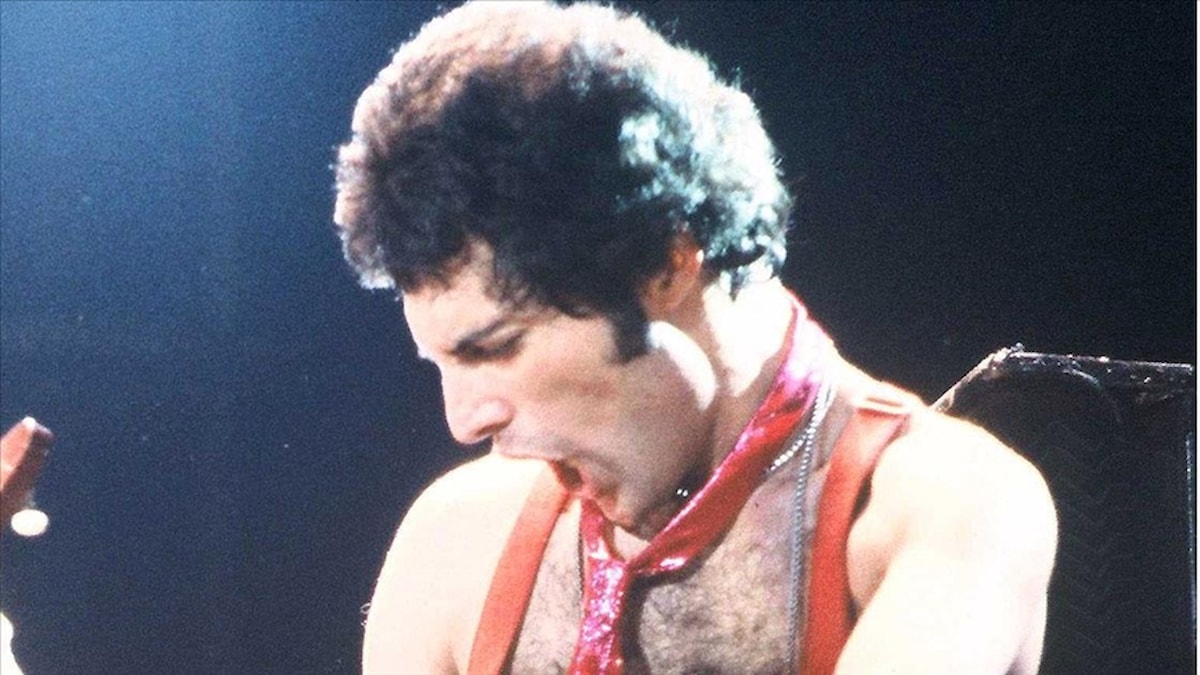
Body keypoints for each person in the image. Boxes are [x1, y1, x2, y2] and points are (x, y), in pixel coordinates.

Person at [332, 2, 1057, 673]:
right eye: (441, 363)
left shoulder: (949, 507)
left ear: (666, 263)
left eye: (495, 347)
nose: (464, 421)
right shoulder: (456, 544)